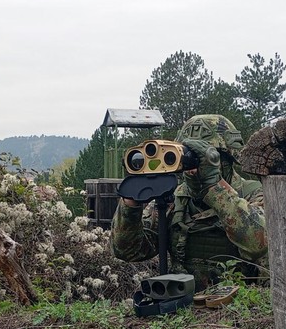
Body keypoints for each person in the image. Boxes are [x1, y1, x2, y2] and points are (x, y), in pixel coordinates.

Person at [110, 114, 267, 291]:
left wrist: (214, 187)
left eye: (203, 159)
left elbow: (258, 244)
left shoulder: (252, 193)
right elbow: (128, 250)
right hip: (183, 307)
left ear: (225, 159)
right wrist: (131, 203)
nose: (193, 171)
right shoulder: (174, 200)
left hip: (241, 309)